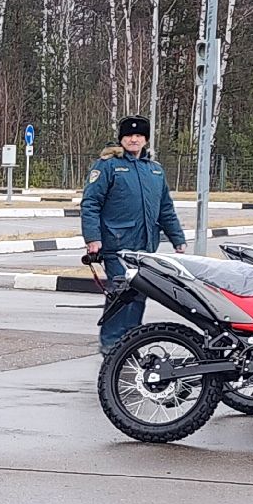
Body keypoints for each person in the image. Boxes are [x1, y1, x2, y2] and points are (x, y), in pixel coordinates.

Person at [82, 114, 185, 352]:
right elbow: (91, 203)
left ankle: (129, 340)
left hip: (146, 245)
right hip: (117, 244)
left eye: (139, 135)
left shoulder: (155, 171)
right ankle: (112, 343)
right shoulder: (108, 166)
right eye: (129, 135)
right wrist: (93, 239)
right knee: (121, 293)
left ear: (146, 140)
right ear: (122, 139)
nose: (134, 139)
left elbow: (165, 208)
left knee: (139, 292)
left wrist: (177, 238)